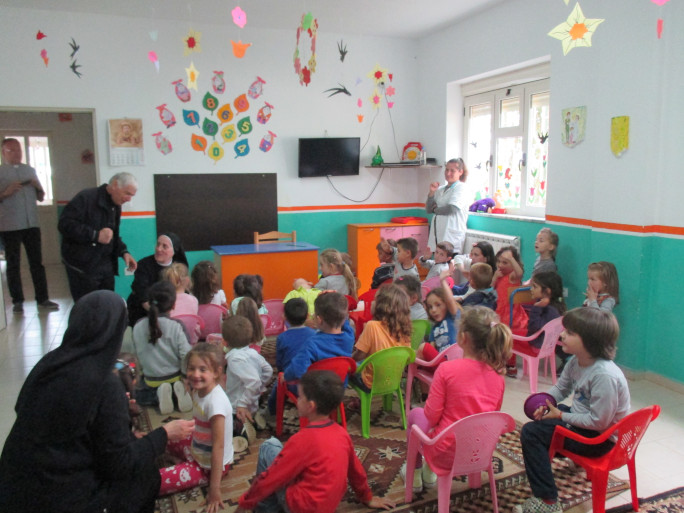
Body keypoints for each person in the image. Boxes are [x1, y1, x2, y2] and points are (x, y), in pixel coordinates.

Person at [0, 290, 194, 513]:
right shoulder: (103, 383)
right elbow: (119, 465)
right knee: (145, 475)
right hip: (59, 498)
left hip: (14, 485)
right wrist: (164, 435)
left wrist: (126, 439)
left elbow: (66, 430)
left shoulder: (48, 364)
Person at [515, 308, 630, 513]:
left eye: (570, 333)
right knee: (545, 421)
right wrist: (546, 402)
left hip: (598, 440)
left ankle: (547, 501)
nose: (562, 335)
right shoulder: (577, 361)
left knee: (531, 433)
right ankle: (564, 460)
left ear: (589, 341)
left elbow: (599, 422)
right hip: (587, 425)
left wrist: (559, 415)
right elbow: (561, 388)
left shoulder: (605, 376)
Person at [236, 370, 396, 513]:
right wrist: (367, 497)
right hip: (327, 506)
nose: (296, 400)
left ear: (311, 406)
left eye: (300, 397)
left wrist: (244, 503)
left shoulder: (302, 440)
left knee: (269, 446)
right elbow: (356, 471)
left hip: (300, 507)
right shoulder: (342, 434)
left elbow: (271, 478)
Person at [401, 306, 512, 492]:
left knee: (415, 415)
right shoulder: (499, 377)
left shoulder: (447, 370)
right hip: (480, 452)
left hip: (445, 453)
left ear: (463, 338)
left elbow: (431, 416)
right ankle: (429, 473)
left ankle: (416, 472)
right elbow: (492, 415)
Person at [159, 343, 232, 513]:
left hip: (209, 466)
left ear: (216, 373)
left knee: (161, 480)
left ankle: (180, 463)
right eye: (191, 368)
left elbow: (218, 447)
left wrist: (214, 489)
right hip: (197, 445)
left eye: (202, 369)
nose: (195, 374)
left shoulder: (216, 404)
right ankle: (176, 457)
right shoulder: (199, 390)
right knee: (162, 436)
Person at [58, 172, 138, 301]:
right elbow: (65, 225)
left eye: (132, 196)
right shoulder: (86, 197)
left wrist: (124, 252)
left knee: (106, 306)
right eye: (127, 193)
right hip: (82, 267)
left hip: (105, 265)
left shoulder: (116, 205)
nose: (129, 199)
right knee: (87, 309)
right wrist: (95, 235)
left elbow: (112, 235)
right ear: (115, 185)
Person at [0, 138, 58, 312]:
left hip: (31, 223)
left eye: (18, 150)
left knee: (37, 263)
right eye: (12, 150)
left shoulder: (29, 170)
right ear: (4, 152)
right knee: (13, 264)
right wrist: (6, 192)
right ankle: (17, 300)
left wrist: (38, 187)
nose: (17, 153)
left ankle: (43, 298)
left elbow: (40, 197)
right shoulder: (1, 172)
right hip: (9, 225)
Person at [132, 281, 193, 414]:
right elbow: (186, 354)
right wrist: (185, 376)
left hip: (151, 380)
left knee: (138, 395)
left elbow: (136, 355)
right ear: (174, 304)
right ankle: (176, 393)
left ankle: (158, 395)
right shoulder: (177, 325)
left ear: (149, 303)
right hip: (176, 377)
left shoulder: (137, 325)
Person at [223, 315, 273, 448]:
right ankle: (254, 417)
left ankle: (242, 430)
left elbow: (253, 381)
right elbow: (268, 370)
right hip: (253, 400)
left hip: (237, 406)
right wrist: (261, 387)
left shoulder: (235, 359)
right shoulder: (252, 353)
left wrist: (243, 404)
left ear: (225, 341)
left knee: (223, 427)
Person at [351, 283, 412, 390]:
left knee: (345, 366)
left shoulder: (372, 326)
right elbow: (407, 357)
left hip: (370, 382)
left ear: (382, 306)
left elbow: (360, 355)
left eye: (375, 300)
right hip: (393, 380)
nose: (372, 302)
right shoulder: (404, 328)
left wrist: (350, 360)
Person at [283, 292, 355, 382]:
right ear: (344, 318)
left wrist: (285, 376)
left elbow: (297, 370)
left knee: (281, 381)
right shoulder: (349, 336)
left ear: (319, 320)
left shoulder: (312, 343)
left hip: (316, 389)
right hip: (339, 386)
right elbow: (345, 322)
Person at [127, 232, 188, 326]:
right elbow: (143, 297)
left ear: (174, 251)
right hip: (144, 309)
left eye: (164, 246)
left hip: (169, 310)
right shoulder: (144, 265)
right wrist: (160, 316)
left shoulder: (179, 267)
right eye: (158, 244)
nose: (159, 249)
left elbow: (183, 292)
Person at [267, 298, 316, 415]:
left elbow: (280, 363)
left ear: (284, 316)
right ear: (308, 316)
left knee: (278, 385)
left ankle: (271, 412)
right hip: (314, 381)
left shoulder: (282, 337)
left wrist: (282, 373)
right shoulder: (314, 334)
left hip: (293, 383)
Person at [492, 245, 528, 376]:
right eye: (499, 261)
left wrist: (512, 260)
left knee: (504, 335)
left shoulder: (513, 276)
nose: (501, 265)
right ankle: (497, 361)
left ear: (514, 264)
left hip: (510, 313)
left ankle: (509, 364)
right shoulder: (500, 275)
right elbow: (491, 289)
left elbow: (520, 273)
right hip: (499, 310)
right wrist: (495, 278)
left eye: (505, 262)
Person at [418, 264, 463, 362]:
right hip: (442, 363)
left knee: (422, 347)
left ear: (446, 304)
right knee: (421, 349)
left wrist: (443, 281)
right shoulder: (434, 328)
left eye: (438, 305)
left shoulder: (453, 317)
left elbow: (450, 300)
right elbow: (431, 350)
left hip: (458, 361)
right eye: (430, 307)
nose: (433, 310)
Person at [426, 158, 469, 254]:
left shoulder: (461, 188)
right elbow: (429, 209)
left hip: (451, 236)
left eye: (452, 171)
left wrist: (435, 210)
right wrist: (432, 193)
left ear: (460, 172)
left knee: (449, 265)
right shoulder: (440, 189)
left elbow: (452, 208)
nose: (448, 173)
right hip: (439, 234)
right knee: (438, 265)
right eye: (447, 170)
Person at [293, 248, 358, 300]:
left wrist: (307, 287)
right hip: (343, 314)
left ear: (331, 266)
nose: (320, 268)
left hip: (327, 313)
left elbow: (312, 296)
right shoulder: (346, 278)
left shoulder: (325, 281)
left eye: (322, 265)